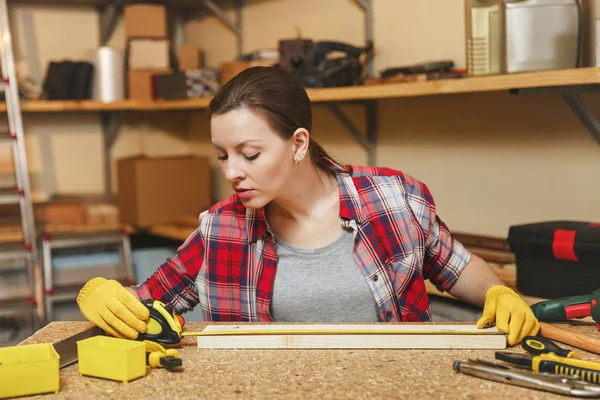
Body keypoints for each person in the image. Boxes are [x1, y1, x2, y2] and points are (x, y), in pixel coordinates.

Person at [76, 66, 538, 346]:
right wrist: (99, 293)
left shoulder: (394, 199)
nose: (232, 171)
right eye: (222, 155)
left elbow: (459, 268)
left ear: (298, 143)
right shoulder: (221, 228)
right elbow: (144, 303)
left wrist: (500, 293)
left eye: (249, 154)